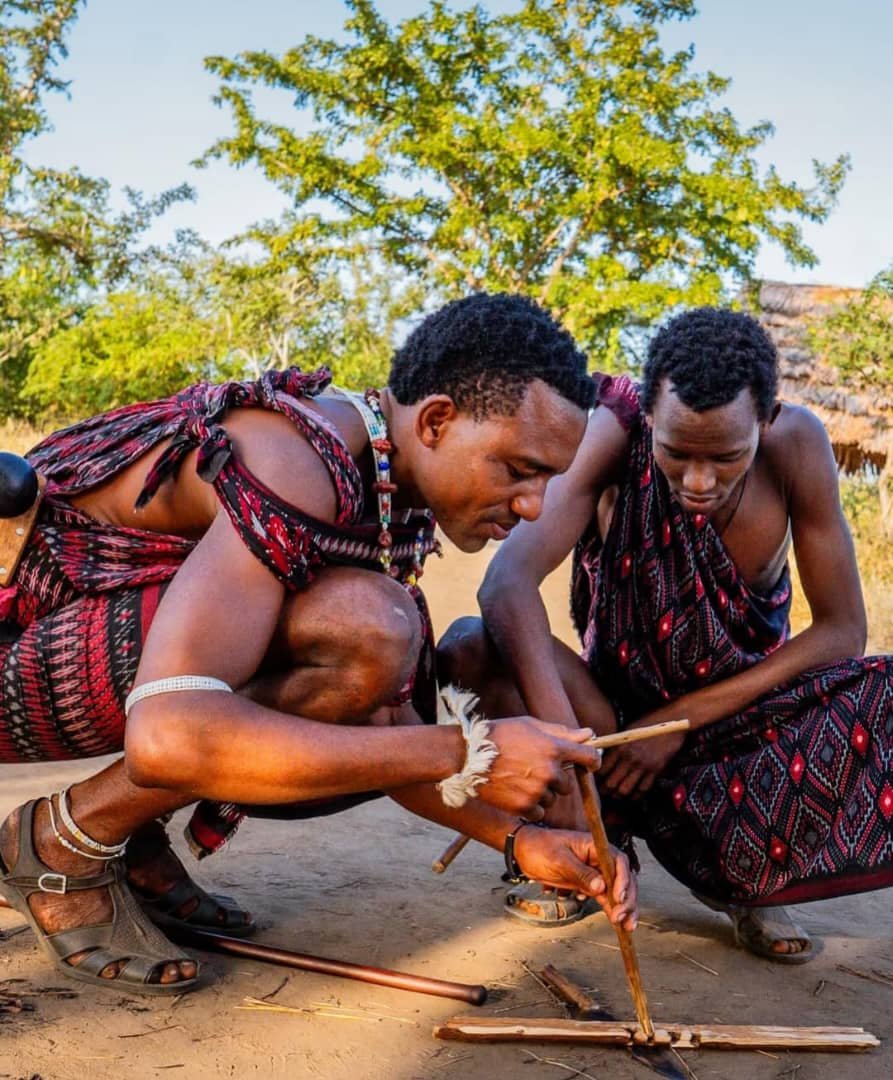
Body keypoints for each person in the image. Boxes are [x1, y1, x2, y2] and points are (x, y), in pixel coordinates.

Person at [0, 292, 638, 996]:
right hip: (14, 665)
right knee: (368, 625)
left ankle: (126, 830)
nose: (533, 508)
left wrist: (521, 841)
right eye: (519, 470)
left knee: (376, 638)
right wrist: (469, 751)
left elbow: (385, 724)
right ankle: (66, 839)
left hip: (64, 654)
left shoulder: (380, 487)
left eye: (549, 479)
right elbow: (170, 737)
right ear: (434, 421)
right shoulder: (294, 459)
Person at [439, 306, 893, 960]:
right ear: (648, 417)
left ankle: (747, 877)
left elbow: (842, 629)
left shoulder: (798, 444)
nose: (697, 481)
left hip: (741, 730)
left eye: (725, 457)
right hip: (609, 720)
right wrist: (566, 750)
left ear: (764, 424)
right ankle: (589, 834)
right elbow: (506, 584)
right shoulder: (612, 431)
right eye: (675, 453)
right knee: (467, 646)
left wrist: (679, 722)